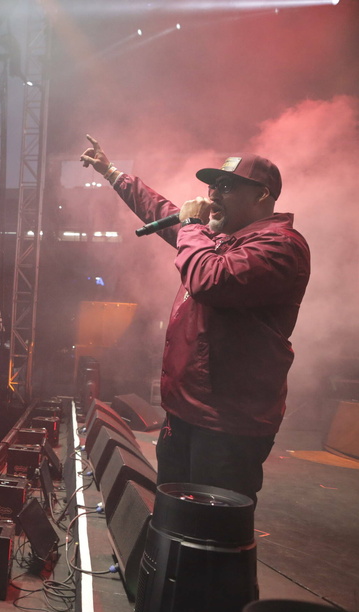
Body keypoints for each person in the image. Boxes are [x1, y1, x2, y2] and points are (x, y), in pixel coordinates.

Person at [79, 135, 310, 505]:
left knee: (210, 535)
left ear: (262, 195)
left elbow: (209, 280)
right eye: (211, 185)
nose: (213, 193)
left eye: (226, 186)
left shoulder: (280, 246)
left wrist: (191, 226)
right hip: (187, 413)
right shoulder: (221, 239)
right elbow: (162, 211)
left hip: (227, 426)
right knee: (173, 518)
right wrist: (113, 173)